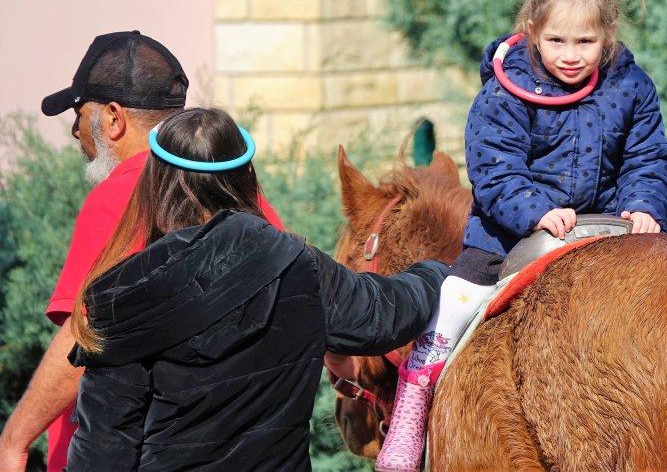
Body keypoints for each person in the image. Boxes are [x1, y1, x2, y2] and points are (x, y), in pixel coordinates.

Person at [375, 0, 667, 470]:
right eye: (557, 40)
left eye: (586, 41)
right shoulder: (503, 94)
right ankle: (413, 404)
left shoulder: (631, 86)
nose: (571, 54)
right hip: (506, 235)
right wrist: (536, 210)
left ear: (608, 36)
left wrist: (644, 205)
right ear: (532, 30)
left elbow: (647, 157)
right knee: (452, 303)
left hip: (608, 229)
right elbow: (494, 170)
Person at [64, 107, 448, 470]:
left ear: (158, 183)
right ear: (246, 177)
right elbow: (386, 313)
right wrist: (442, 270)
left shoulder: (124, 294)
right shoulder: (296, 265)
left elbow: (103, 448)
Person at [0, 31, 284, 472]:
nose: (77, 133)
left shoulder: (119, 197)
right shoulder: (241, 194)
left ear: (113, 119)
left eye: (79, 116)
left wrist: (14, 441)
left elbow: (87, 336)